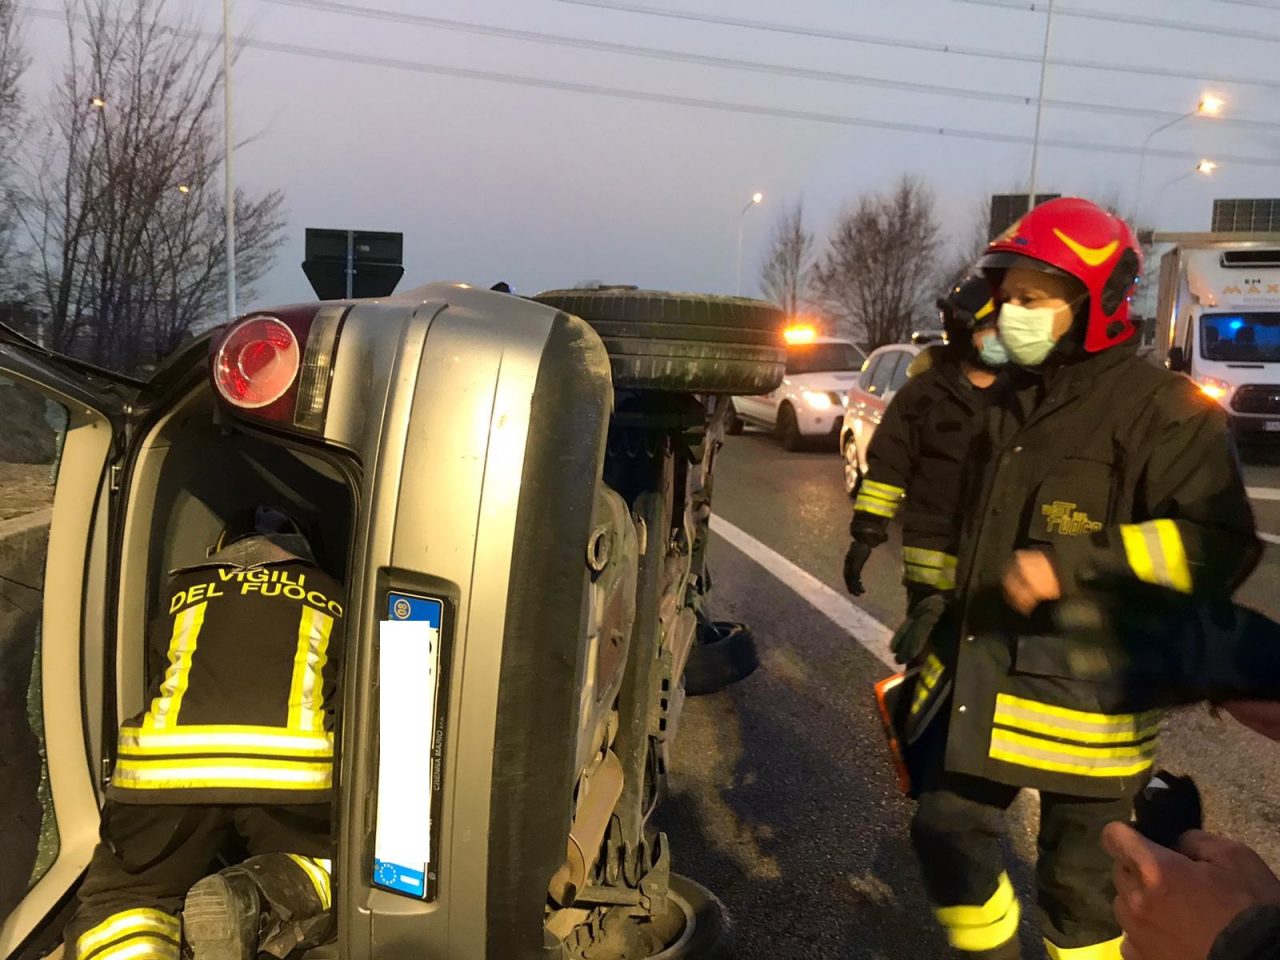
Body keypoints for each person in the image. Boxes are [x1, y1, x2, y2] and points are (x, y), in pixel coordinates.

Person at [905, 197, 1260, 959]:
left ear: (1095, 302)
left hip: (1090, 711)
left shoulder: (1166, 413)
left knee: (1084, 901)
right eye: (1007, 295)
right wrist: (932, 604)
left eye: (1033, 298)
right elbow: (957, 520)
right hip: (983, 680)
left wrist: (1077, 565)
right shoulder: (1006, 404)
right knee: (943, 828)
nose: (1012, 312)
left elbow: (1218, 545)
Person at [66, 507, 346, 960]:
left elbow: (162, 674)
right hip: (291, 773)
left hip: (166, 769)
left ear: (221, 549)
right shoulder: (333, 593)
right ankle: (251, 897)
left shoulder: (184, 590)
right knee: (335, 870)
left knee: (127, 898)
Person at [843, 274, 1006, 611]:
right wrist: (866, 534)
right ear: (964, 331)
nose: (1004, 338)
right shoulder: (922, 396)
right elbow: (888, 468)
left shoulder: (1026, 394)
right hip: (932, 573)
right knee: (929, 658)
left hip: (998, 573)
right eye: (994, 329)